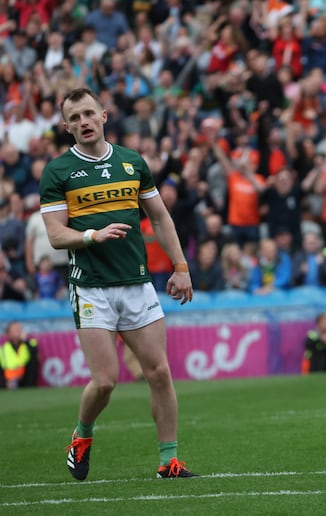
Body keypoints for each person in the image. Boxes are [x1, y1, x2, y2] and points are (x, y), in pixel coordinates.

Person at [39, 87, 197, 480]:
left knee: (159, 372)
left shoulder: (131, 162)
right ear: (66, 126)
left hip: (136, 283)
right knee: (106, 382)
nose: (83, 122)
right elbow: (56, 236)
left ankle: (169, 462)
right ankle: (82, 434)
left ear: (104, 115)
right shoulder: (58, 172)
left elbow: (160, 217)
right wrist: (93, 235)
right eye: (74, 118)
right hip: (91, 286)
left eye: (89, 114)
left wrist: (180, 266)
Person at [0, 321, 39, 389]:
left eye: (20, 329)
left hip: (25, 380)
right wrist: (5, 383)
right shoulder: (3, 349)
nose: (19, 331)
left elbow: (35, 356)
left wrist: (25, 340)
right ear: (9, 333)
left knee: (33, 360)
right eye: (15, 330)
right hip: (9, 380)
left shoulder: (29, 344)